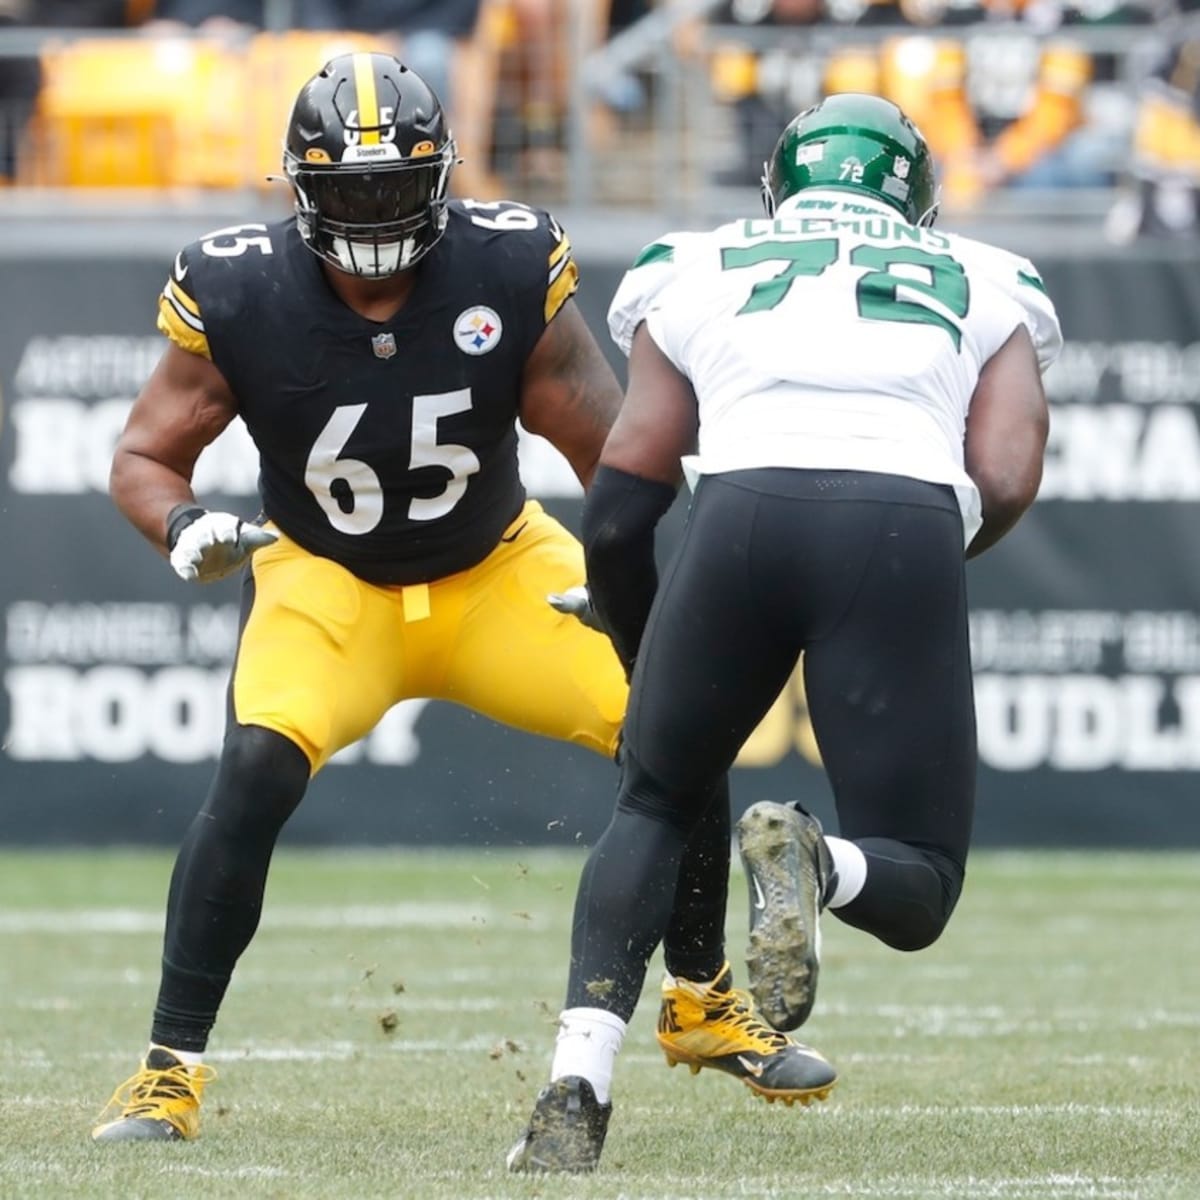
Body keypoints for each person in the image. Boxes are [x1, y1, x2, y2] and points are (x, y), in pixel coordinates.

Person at [90, 50, 827, 1144]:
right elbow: (144, 457)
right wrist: (181, 521)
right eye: (350, 192)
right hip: (327, 584)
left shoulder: (506, 263)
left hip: (499, 573)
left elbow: (607, 450)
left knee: (680, 722)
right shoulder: (239, 287)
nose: (376, 214)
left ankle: (702, 998)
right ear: (301, 193)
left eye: (396, 187)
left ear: (443, 180)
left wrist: (631, 585)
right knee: (252, 768)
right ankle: (167, 1070)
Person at [509, 91, 1061, 1173]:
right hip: (900, 519)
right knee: (920, 882)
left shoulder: (700, 263)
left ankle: (576, 1087)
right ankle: (821, 863)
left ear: (780, 189)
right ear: (921, 200)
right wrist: (910, 568)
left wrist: (642, 625)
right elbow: (1002, 475)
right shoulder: (989, 278)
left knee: (657, 800)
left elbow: (621, 505)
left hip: (739, 518)